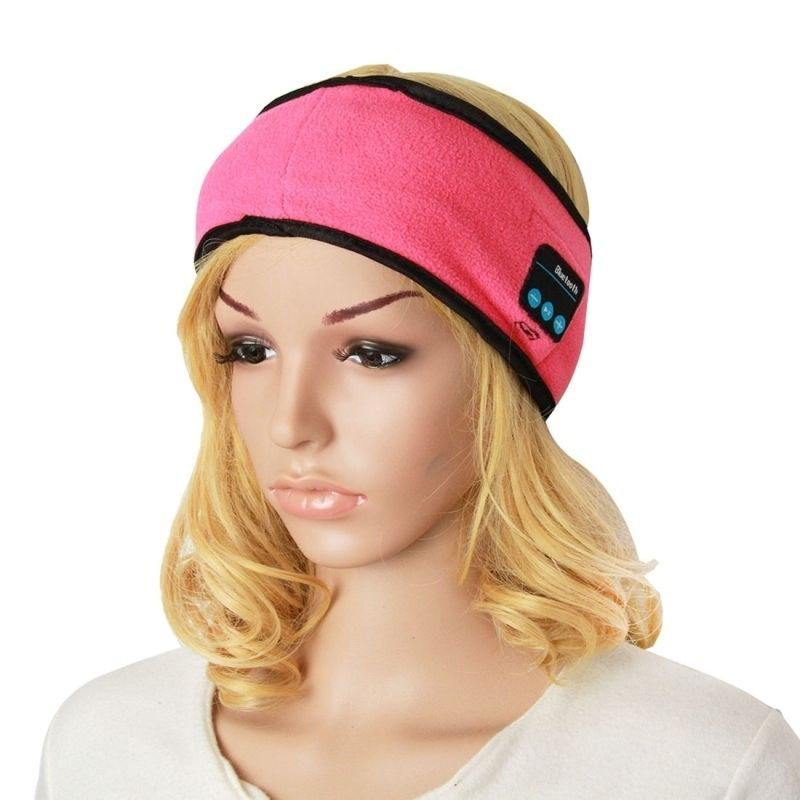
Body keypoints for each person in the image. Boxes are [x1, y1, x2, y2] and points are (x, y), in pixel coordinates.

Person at [34, 63, 800, 799]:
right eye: (251, 350)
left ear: (510, 371)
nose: (291, 423)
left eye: (371, 354)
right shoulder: (105, 746)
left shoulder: (705, 766)